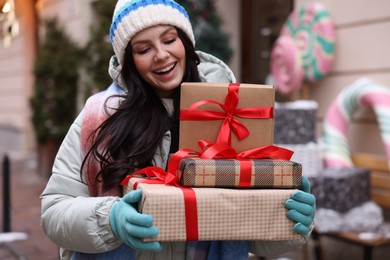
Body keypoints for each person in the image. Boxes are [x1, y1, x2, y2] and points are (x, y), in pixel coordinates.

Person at [40, 0, 316, 259]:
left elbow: (248, 225)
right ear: (129, 59)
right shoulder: (101, 117)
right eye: (143, 49)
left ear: (185, 42)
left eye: (169, 40)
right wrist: (108, 219)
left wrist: (289, 220)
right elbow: (54, 210)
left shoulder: (232, 112)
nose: (161, 55)